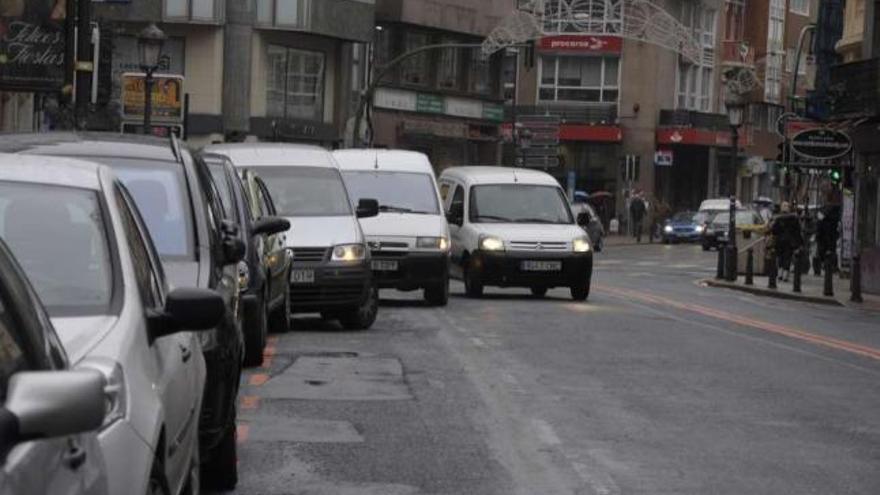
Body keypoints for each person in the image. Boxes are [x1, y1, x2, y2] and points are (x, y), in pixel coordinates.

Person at [770, 202, 803, 282]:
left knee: (780, 257)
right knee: (787, 257)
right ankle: (785, 275)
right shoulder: (794, 218)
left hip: (780, 241)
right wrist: (799, 243)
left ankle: (780, 274)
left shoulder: (778, 218)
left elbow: (774, 230)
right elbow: (797, 231)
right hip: (790, 241)